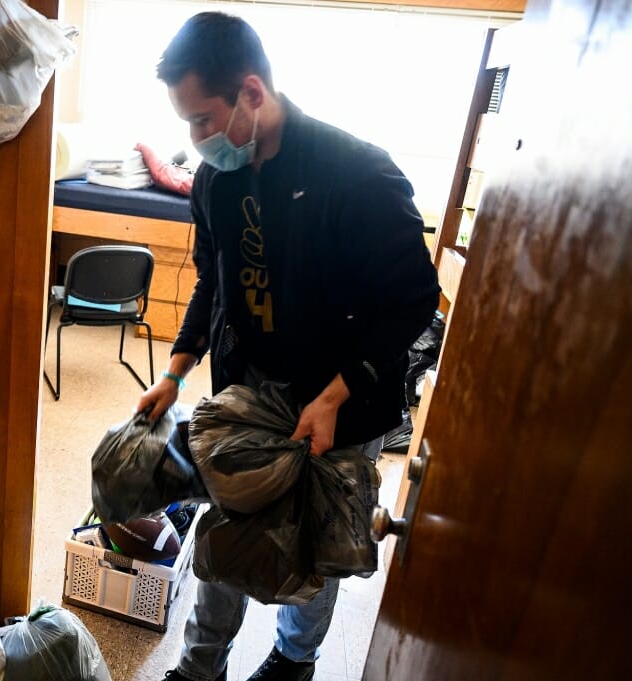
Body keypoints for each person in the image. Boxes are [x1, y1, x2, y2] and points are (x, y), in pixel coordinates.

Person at [134, 11, 441, 681]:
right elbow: (212, 280)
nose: (195, 139)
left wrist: (334, 395)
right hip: (251, 388)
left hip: (341, 400)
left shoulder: (354, 171)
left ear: (251, 91)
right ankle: (198, 667)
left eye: (203, 120)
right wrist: (177, 370)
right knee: (228, 526)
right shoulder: (218, 177)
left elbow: (415, 298)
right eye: (185, 122)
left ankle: (293, 661)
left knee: (312, 545)